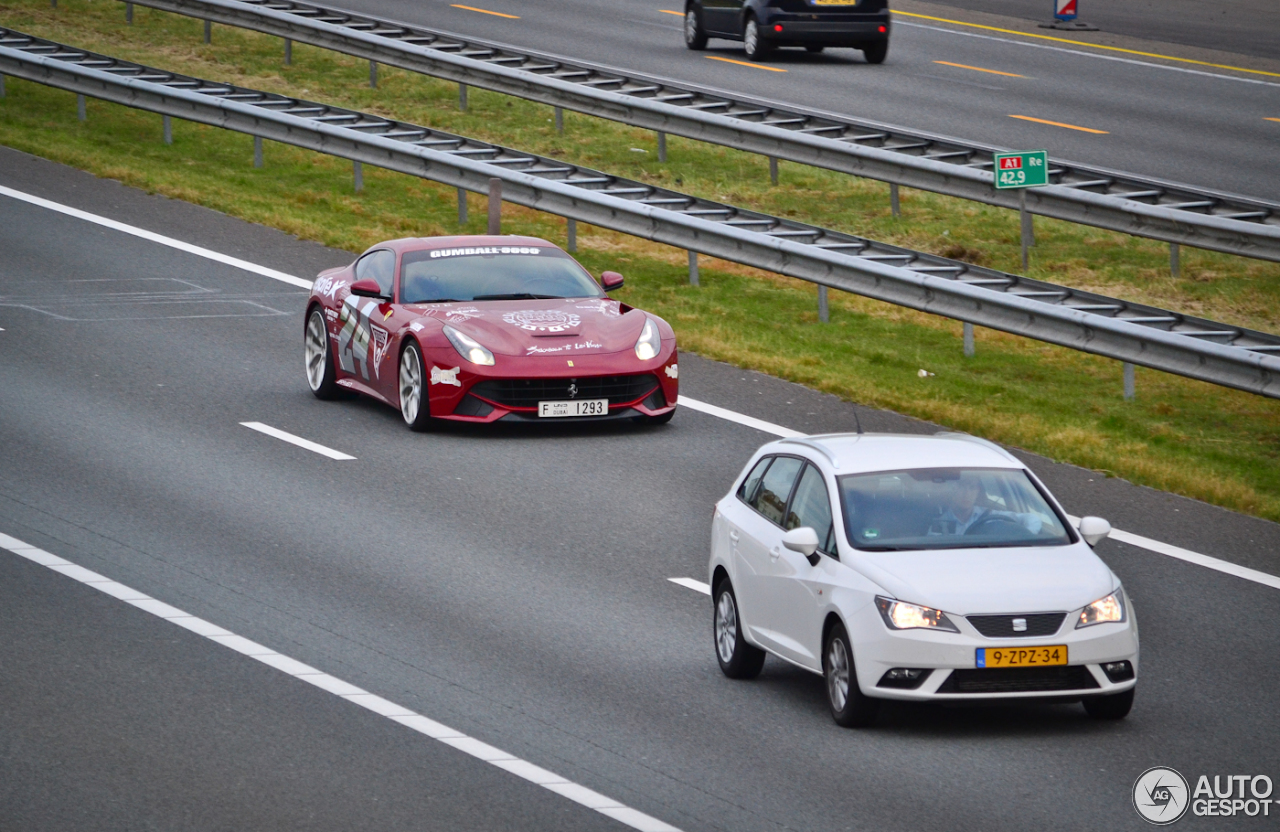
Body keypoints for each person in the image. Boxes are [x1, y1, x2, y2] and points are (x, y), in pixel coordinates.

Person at [931, 475, 1043, 537]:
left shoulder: (989, 515)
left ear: (978, 491)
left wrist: (1028, 535)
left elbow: (1033, 518)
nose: (967, 494)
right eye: (962, 487)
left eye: (972, 488)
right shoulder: (940, 524)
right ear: (953, 491)